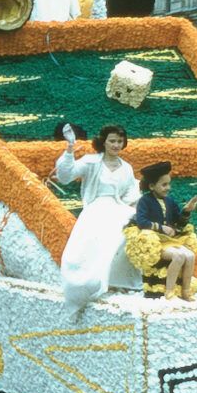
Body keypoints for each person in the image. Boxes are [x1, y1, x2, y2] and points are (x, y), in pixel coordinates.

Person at [56, 124, 142, 312]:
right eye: (112, 141)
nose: (116, 145)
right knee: (90, 244)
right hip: (96, 208)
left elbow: (130, 193)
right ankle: (89, 282)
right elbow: (65, 175)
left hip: (117, 207)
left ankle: (116, 280)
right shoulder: (91, 162)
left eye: (119, 141)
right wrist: (70, 149)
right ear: (103, 142)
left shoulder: (126, 167)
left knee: (129, 227)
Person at [128, 161, 197, 299]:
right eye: (164, 184)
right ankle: (169, 291)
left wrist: (186, 211)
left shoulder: (170, 201)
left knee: (190, 256)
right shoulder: (145, 201)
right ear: (152, 186)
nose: (168, 188)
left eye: (169, 184)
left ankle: (185, 291)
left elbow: (179, 224)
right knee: (178, 256)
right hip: (155, 241)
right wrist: (161, 228)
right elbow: (141, 222)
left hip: (171, 241)